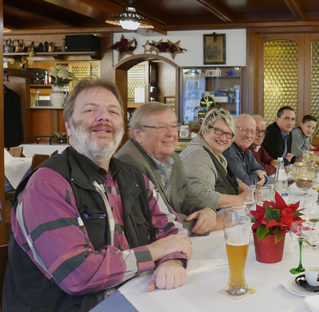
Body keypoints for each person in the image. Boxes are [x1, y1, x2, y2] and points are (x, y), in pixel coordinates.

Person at [3, 78, 192, 312]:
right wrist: (156, 251)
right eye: (91, 110)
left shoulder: (133, 176)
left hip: (134, 296)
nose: (104, 117)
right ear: (69, 126)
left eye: (113, 111)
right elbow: (77, 274)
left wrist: (172, 260)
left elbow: (174, 229)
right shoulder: (46, 184)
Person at [115, 102, 217, 235]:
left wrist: (207, 211)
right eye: (161, 127)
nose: (171, 133)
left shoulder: (173, 159)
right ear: (138, 134)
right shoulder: (129, 163)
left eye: (174, 126)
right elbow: (152, 220)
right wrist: (204, 225)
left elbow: (188, 198)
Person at [180, 109, 248, 210]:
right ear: (204, 130)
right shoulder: (197, 155)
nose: (223, 138)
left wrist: (249, 190)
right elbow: (201, 197)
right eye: (218, 131)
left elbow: (232, 181)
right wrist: (240, 199)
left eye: (228, 134)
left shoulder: (217, 156)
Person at [223, 114, 267, 186]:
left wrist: (263, 178)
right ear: (232, 129)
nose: (249, 135)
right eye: (244, 130)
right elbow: (246, 184)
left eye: (252, 132)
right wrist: (257, 175)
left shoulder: (246, 151)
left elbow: (263, 172)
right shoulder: (229, 153)